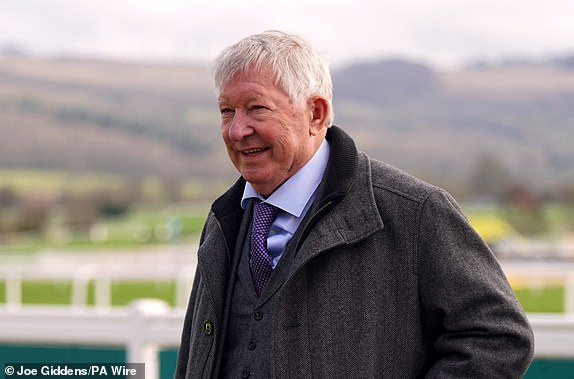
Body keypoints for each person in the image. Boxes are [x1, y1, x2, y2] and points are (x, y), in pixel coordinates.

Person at [176, 30, 534, 378]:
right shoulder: (224, 220)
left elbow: (499, 338)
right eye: (227, 111)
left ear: (315, 114)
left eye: (256, 109)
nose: (237, 130)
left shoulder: (416, 212)